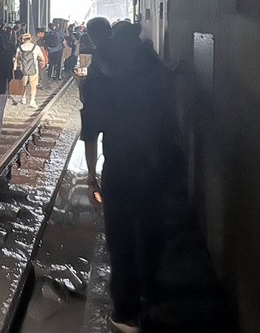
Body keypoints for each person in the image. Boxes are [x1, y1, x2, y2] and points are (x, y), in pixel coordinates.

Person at [81, 19, 179, 333]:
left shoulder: (100, 72)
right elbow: (169, 109)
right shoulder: (151, 64)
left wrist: (91, 177)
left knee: (120, 238)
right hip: (154, 162)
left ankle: (125, 311)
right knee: (151, 229)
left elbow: (91, 131)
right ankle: (152, 292)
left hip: (120, 165)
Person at [15, 32, 46, 108]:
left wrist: (15, 68)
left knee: (23, 84)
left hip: (23, 70)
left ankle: (23, 98)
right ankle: (32, 100)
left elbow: (17, 59)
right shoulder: (36, 47)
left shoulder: (20, 48)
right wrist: (43, 62)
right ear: (30, 39)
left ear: (23, 39)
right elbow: (42, 57)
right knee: (33, 85)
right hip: (34, 69)